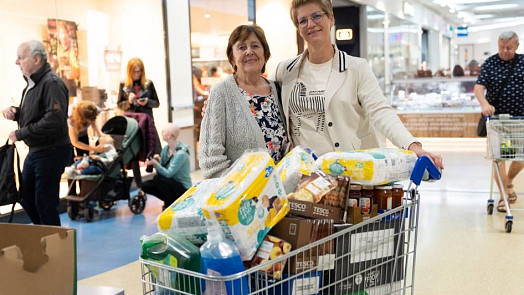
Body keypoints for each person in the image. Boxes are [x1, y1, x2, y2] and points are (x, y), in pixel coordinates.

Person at [271, 0, 443, 169]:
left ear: (331, 18)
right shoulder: (285, 71)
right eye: (303, 20)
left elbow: (380, 111)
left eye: (317, 16)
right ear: (298, 27)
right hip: (305, 177)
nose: (311, 24)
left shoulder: (356, 68)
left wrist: (412, 145)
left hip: (350, 173)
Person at [198, 24, 289, 179]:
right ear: (232, 57)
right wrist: (243, 187)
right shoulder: (221, 92)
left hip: (279, 194)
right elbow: (210, 162)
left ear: (265, 54)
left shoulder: (278, 90)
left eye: (255, 46)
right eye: (241, 47)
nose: (249, 51)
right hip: (242, 196)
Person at [2, 40, 72, 226]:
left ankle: (54, 245)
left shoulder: (52, 83)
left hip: (52, 151)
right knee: (27, 198)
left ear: (37, 59)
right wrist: (17, 112)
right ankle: (43, 238)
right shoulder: (32, 85)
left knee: (44, 202)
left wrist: (22, 132)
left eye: (21, 57)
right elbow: (38, 113)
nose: (17, 62)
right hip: (37, 152)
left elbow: (54, 120)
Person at [474, 31, 524, 212]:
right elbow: (479, 88)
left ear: (517, 46)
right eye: (501, 47)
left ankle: (509, 181)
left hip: (520, 120)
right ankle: (503, 196)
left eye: (509, 48)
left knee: (520, 156)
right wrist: (485, 104)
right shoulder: (491, 63)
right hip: (497, 121)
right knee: (500, 157)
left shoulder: (522, 62)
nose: (504, 51)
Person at [141, 123, 192, 210]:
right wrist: (157, 161)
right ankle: (169, 200)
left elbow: (168, 174)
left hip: (182, 187)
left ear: (169, 135)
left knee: (160, 180)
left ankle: (171, 202)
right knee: (146, 185)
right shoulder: (166, 149)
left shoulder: (181, 154)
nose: (162, 133)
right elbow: (162, 170)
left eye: (164, 132)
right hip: (170, 182)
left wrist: (156, 164)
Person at [118, 57, 161, 154]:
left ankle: (153, 167)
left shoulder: (148, 84)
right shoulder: (123, 84)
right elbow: (120, 105)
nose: (137, 74)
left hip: (146, 120)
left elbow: (156, 103)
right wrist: (128, 102)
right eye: (134, 72)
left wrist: (147, 102)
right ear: (129, 72)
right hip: (131, 121)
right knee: (132, 152)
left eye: (139, 71)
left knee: (152, 149)